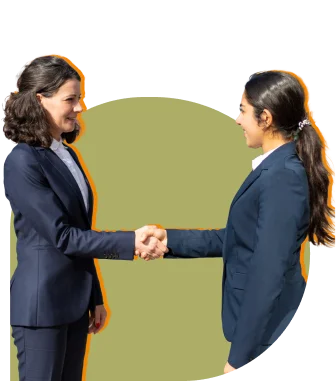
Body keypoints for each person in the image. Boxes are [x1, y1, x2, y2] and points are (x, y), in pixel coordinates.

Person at [137, 70, 336, 374]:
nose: (238, 119)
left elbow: (267, 271)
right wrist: (169, 239)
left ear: (265, 118)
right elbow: (238, 238)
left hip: (269, 332)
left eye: (243, 110)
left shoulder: (282, 177)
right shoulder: (275, 168)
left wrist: (237, 358)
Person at [3, 54, 168, 381]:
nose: (79, 108)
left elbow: (81, 231)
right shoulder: (22, 162)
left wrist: (94, 297)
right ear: (40, 100)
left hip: (75, 305)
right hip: (43, 308)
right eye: (71, 99)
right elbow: (62, 236)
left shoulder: (67, 154)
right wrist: (131, 242)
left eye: (79, 99)